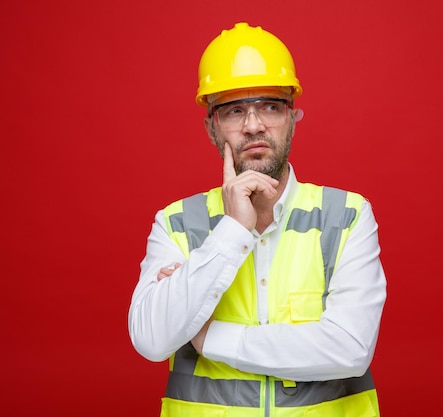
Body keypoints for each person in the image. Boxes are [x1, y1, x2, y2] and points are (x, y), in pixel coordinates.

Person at [128, 22, 387, 417]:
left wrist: (211, 337)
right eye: (234, 110)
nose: (253, 125)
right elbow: (151, 339)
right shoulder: (176, 224)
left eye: (269, 106)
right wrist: (231, 230)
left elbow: (350, 349)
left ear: (293, 116)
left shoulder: (347, 216)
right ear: (212, 127)